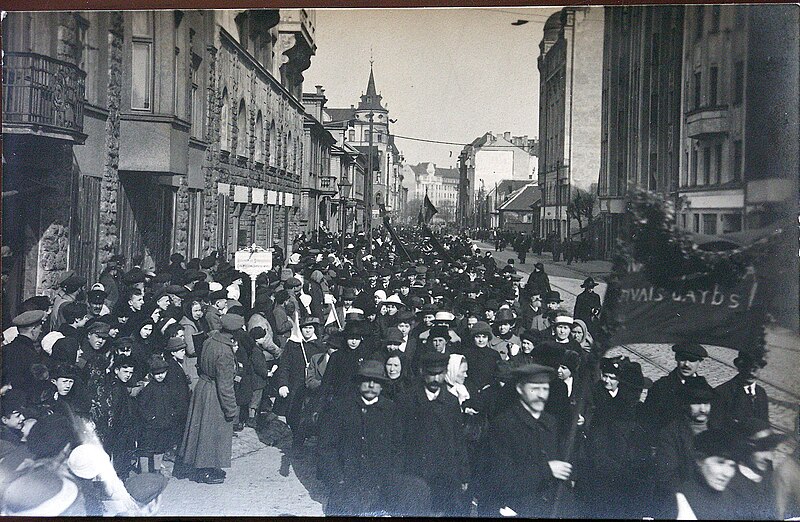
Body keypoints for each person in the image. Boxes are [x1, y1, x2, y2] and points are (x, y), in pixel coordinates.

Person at [318, 359, 405, 515]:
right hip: (345, 486)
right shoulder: (340, 407)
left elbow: (398, 448)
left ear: (382, 385)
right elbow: (326, 448)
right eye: (367, 380)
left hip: (379, 489)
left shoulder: (391, 410)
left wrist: (391, 478)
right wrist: (337, 479)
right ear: (358, 382)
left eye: (376, 381)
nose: (371, 385)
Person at [483, 362, 571, 517]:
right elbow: (500, 479)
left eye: (545, 389)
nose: (541, 395)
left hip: (549, 508)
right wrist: (547, 469)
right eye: (534, 389)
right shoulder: (503, 424)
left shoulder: (550, 422)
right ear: (519, 389)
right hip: (516, 508)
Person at [396, 351, 469, 516]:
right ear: (423, 372)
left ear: (445, 373)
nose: (436, 379)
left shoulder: (450, 402)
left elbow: (458, 440)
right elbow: (398, 441)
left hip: (444, 475)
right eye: (431, 374)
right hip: (415, 475)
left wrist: (463, 474)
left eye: (440, 374)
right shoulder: (407, 401)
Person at [178, 313, 242, 484]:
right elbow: (225, 385)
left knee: (202, 430)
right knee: (212, 433)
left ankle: (206, 466)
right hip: (214, 392)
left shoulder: (210, 340)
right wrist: (231, 409)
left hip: (203, 387)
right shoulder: (226, 352)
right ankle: (205, 470)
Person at [653, 375, 716, 514]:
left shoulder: (717, 430)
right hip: (686, 504)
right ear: (685, 404)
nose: (703, 409)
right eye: (697, 403)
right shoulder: (671, 434)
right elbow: (666, 477)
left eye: (706, 403)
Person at [275, 316, 324, 452]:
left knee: (310, 415)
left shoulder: (319, 346)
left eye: (310, 328)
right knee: (293, 415)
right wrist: (283, 384)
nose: (307, 331)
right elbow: (284, 366)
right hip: (295, 386)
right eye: (305, 328)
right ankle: (298, 439)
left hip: (313, 387)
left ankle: (303, 442)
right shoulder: (292, 345)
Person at [672, 429, 740, 519]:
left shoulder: (733, 498)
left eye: (732, 465)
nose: (727, 473)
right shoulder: (679, 500)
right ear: (699, 460)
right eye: (720, 462)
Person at [642, 342, 708, 432]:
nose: (686, 364)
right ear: (676, 358)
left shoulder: (705, 388)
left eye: (692, 360)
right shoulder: (661, 386)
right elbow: (648, 421)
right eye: (683, 359)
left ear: (699, 363)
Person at [728, 417, 785, 519]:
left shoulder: (769, 477)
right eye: (762, 449)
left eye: (772, 449)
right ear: (745, 448)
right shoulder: (730, 485)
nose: (769, 457)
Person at [711, 351, 769, 429]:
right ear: (739, 368)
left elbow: (765, 423)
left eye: (755, 369)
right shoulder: (722, 392)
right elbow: (716, 426)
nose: (751, 373)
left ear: (760, 369)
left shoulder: (761, 392)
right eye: (746, 368)